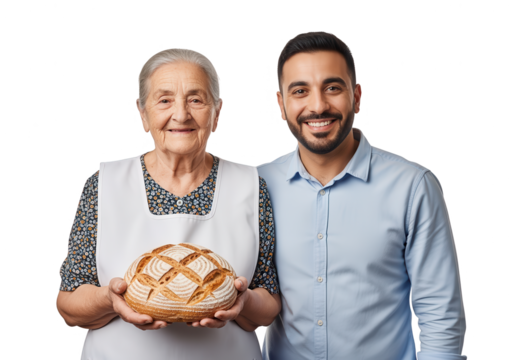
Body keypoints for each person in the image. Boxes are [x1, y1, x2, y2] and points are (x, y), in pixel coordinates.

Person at [55, 48, 281, 360]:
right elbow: (68, 304)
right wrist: (110, 299)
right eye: (164, 100)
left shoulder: (251, 185)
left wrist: (244, 303)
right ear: (143, 114)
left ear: (217, 113)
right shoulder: (104, 183)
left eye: (196, 99)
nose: (181, 114)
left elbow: (268, 304)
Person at [257, 31, 467, 360]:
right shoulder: (257, 185)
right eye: (300, 91)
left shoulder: (413, 186)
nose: (318, 105)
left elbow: (440, 313)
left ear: (357, 96)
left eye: (333, 88)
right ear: (280, 105)